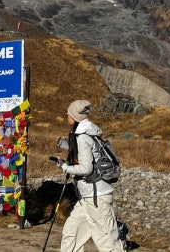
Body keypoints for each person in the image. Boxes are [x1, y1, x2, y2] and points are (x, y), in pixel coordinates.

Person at [55, 100, 124, 252]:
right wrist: (66, 145)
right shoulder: (88, 133)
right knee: (71, 233)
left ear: (74, 117)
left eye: (68, 113)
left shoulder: (83, 137)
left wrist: (64, 167)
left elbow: (86, 168)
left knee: (107, 241)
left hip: (96, 197)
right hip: (87, 197)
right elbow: (88, 154)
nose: (66, 115)